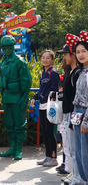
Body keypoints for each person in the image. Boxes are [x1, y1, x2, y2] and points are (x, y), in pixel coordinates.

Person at [0, 35, 32, 161]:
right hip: (7, 97)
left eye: (9, 47)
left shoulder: (19, 61)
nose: (7, 49)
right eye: (5, 47)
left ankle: (18, 149)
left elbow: (26, 80)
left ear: (13, 47)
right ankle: (12, 147)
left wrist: (24, 96)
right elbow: (0, 78)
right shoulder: (2, 63)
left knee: (19, 124)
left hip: (18, 97)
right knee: (9, 124)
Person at [31, 49, 60, 166]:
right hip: (42, 106)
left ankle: (54, 158)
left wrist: (50, 97)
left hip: (50, 107)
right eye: (43, 57)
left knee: (50, 132)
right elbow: (42, 89)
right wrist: (35, 97)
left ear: (52, 60)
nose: (45, 60)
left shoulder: (53, 73)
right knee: (45, 132)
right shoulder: (44, 73)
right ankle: (47, 156)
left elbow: (55, 89)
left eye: (48, 58)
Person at [57, 44, 81, 181]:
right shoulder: (70, 73)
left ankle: (76, 175)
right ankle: (72, 172)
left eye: (66, 54)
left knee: (75, 147)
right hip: (67, 114)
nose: (64, 57)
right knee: (68, 146)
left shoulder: (77, 73)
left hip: (74, 114)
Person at [71, 32, 88, 184]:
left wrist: (86, 120)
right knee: (78, 151)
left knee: (85, 153)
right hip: (77, 113)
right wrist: (73, 120)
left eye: (84, 51)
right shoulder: (80, 71)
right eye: (78, 52)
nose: (80, 54)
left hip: (85, 114)